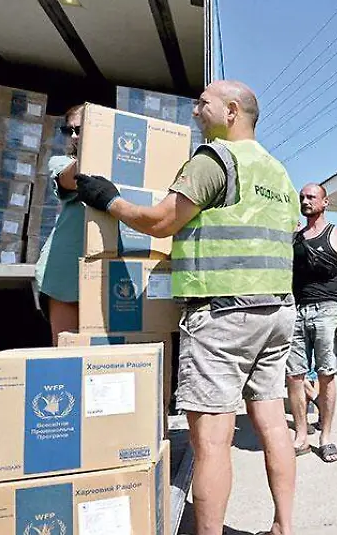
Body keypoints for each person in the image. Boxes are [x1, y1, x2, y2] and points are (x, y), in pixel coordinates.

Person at [74, 80, 300, 535]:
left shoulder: (214, 159)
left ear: (232, 111)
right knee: (274, 427)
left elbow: (160, 221)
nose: (195, 111)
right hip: (276, 313)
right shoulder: (279, 173)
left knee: (211, 443)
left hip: (223, 316)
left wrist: (109, 199)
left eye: (204, 104)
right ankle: (283, 527)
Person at [287, 183, 337, 463]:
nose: (305, 201)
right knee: (294, 376)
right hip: (296, 309)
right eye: (302, 197)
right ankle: (301, 436)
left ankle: (325, 437)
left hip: (328, 310)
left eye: (311, 197)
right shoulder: (294, 238)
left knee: (326, 374)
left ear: (325, 202)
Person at [34, 104, 85, 344]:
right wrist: (101, 144)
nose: (74, 136)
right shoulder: (61, 162)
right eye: (69, 130)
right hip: (65, 271)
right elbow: (70, 179)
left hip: (107, 269)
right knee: (67, 349)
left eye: (80, 129)